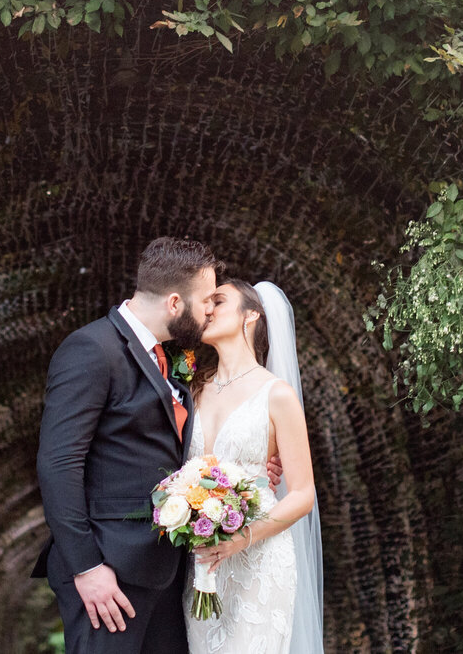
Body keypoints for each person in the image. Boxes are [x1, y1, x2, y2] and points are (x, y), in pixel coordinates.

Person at [33, 237, 221, 654]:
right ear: (175, 303)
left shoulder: (164, 358)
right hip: (108, 573)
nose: (212, 309)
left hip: (162, 569)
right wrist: (87, 567)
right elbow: (59, 463)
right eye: (207, 299)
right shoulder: (91, 349)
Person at [184, 279, 324, 654]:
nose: (207, 309)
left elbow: (302, 495)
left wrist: (240, 540)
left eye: (219, 301)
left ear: (251, 316)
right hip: (201, 562)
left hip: (258, 561)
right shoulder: (193, 390)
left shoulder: (276, 394)